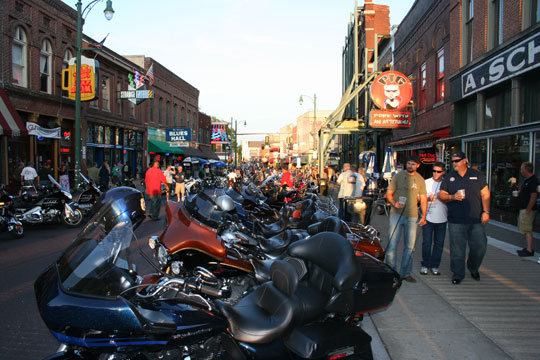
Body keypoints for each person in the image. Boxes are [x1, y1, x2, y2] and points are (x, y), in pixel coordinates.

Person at [439, 151, 490, 285]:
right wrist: (452, 197)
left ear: (465, 161)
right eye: (452, 161)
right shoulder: (449, 177)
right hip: (456, 220)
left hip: (476, 219)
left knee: (480, 246)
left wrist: (486, 211)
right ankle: (458, 274)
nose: (454, 163)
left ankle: (473, 268)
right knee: (457, 249)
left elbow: (485, 194)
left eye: (457, 160)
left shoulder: (477, 175)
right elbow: (442, 195)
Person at [385, 155, 427, 283]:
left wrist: (424, 216)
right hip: (396, 214)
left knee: (410, 246)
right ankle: (391, 272)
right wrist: (394, 203)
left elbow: (424, 199)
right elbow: (389, 193)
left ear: (418, 165)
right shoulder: (398, 176)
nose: (410, 166)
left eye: (413, 164)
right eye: (408, 163)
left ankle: (405, 273)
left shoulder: (420, 180)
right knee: (392, 244)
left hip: (413, 215)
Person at [420, 162, 448, 276]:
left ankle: (435, 265)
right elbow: (419, 198)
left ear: (443, 172)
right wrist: (427, 198)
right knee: (426, 243)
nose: (436, 173)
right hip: (428, 217)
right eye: (434, 171)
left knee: (439, 243)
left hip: (442, 217)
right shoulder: (426, 182)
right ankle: (425, 264)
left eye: (438, 171)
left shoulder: (446, 183)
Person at [516, 162, 539, 257]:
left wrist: (528, 209)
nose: (521, 171)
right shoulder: (527, 180)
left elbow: (534, 196)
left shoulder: (533, 181)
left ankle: (529, 250)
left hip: (527, 209)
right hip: (523, 208)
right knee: (525, 229)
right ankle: (528, 248)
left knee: (527, 229)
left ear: (526, 170)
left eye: (522, 169)